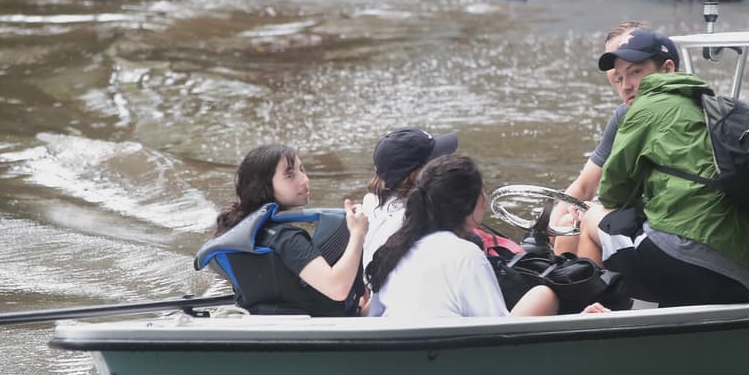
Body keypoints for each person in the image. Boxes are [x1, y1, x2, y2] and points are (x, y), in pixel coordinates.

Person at [580, 30, 749, 327]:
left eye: (636, 72)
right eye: (620, 78)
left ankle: (587, 317)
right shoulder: (723, 116)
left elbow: (613, 192)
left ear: (667, 69)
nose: (627, 86)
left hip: (681, 265)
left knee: (592, 217)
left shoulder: (645, 109)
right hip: (739, 281)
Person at [366, 154, 606, 318]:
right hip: (449, 360)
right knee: (545, 294)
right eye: (482, 191)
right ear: (472, 204)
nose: (486, 197)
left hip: (413, 349)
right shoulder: (465, 254)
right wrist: (573, 321)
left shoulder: (396, 246)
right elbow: (497, 329)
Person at [196, 143, 368, 315]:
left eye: (302, 170)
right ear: (264, 188)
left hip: (262, 319)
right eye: (290, 175)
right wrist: (357, 232)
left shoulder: (246, 236)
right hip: (315, 328)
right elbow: (337, 289)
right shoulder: (287, 238)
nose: (304, 179)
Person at [551, 20, 648, 253]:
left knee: (578, 222)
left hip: (662, 228)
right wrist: (549, 227)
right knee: (566, 224)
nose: (624, 81)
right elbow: (584, 186)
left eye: (632, 69)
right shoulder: (623, 115)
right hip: (634, 219)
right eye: (616, 74)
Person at [361, 127, 458, 268]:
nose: (443, 162)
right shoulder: (419, 220)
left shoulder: (373, 200)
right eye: (435, 159)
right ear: (418, 173)